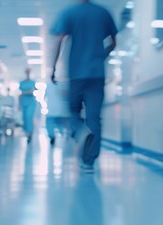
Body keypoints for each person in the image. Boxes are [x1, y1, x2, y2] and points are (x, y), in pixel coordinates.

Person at [50, 0, 117, 172]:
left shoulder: (69, 12)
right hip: (97, 74)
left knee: (73, 110)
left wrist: (54, 66)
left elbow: (59, 40)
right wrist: (100, 57)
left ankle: (80, 130)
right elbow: (112, 42)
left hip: (77, 73)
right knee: (94, 118)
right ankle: (88, 162)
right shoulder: (103, 12)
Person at [45, 79, 71, 146]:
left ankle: (52, 136)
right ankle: (63, 134)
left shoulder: (48, 85)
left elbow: (45, 96)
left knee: (50, 123)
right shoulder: (62, 85)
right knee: (60, 124)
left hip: (51, 109)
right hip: (59, 109)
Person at [19, 68, 37, 143]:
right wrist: (19, 104)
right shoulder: (21, 83)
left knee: (29, 117)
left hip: (31, 103)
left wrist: (25, 92)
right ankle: (27, 133)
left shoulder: (33, 82)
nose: (27, 73)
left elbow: (31, 92)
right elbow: (20, 94)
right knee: (25, 118)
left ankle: (30, 133)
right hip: (23, 102)